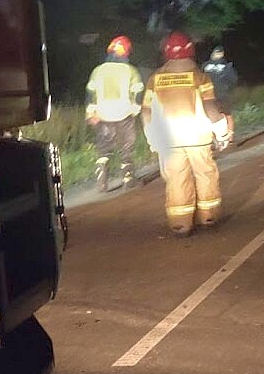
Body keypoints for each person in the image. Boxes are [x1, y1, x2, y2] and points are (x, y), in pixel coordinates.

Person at [141, 31, 231, 236]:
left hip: (169, 140)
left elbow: (146, 111)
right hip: (197, 136)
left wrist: (152, 138)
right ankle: (208, 216)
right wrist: (222, 133)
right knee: (205, 174)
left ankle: (180, 223)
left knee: (176, 179)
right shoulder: (199, 77)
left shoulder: (155, 79)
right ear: (191, 51)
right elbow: (211, 108)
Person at [85, 35, 144, 192]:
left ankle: (101, 183)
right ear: (126, 52)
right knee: (126, 148)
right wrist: (136, 110)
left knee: (103, 149)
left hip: (103, 115)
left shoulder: (98, 71)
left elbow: (90, 93)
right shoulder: (131, 70)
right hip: (124, 114)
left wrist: (91, 114)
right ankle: (128, 180)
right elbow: (138, 91)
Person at [203, 45, 238, 137]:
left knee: (211, 116)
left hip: (209, 96)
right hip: (221, 94)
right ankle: (228, 136)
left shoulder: (205, 66)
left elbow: (199, 79)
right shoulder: (227, 66)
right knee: (227, 115)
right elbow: (233, 80)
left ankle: (218, 136)